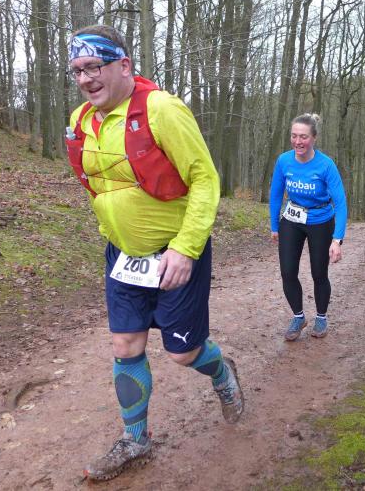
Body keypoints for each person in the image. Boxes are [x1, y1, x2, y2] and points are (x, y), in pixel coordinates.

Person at [64, 25, 244, 481]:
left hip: (175, 253)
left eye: (94, 67)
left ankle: (221, 373)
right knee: (125, 345)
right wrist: (113, 228)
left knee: (183, 353)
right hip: (123, 256)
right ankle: (135, 439)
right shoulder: (81, 120)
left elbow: (205, 179)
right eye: (77, 71)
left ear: (124, 65)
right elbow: (100, 186)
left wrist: (185, 248)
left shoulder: (161, 109)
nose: (85, 79)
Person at [269, 114, 347, 341]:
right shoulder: (284, 161)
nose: (298, 141)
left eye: (303, 137)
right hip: (292, 218)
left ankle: (321, 317)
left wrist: (337, 239)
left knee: (319, 273)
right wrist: (274, 225)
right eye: (294, 136)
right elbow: (275, 195)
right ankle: (298, 316)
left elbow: (341, 203)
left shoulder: (326, 165)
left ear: (314, 138)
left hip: (321, 220)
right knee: (287, 272)